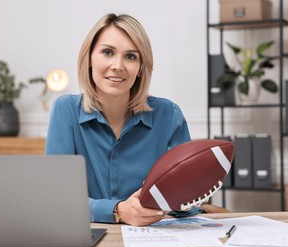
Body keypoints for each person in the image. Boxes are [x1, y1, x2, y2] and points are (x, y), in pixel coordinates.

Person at [45, 13, 190, 226]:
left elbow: (184, 197)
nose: (118, 65)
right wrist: (117, 210)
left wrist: (182, 200)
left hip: (155, 238)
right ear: (89, 59)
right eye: (107, 52)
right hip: (87, 237)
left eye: (130, 56)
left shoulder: (168, 114)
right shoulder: (65, 110)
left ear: (141, 67)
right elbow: (56, 198)